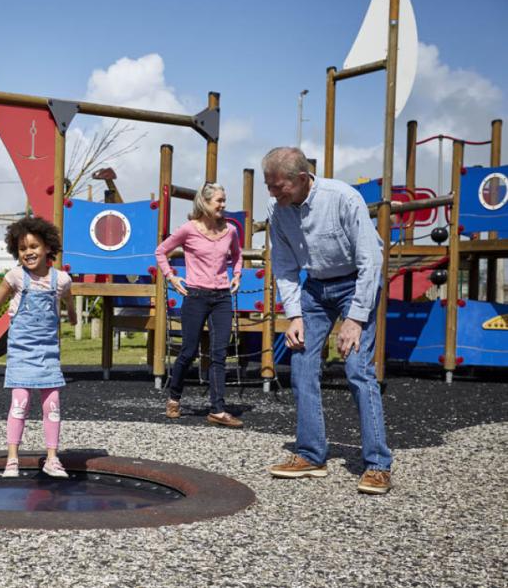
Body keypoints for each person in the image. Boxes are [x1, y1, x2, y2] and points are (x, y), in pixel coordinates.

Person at [263, 147, 392, 495]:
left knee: (357, 368)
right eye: (268, 186)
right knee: (302, 362)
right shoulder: (278, 212)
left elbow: (370, 262)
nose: (272, 194)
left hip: (356, 282)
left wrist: (355, 318)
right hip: (316, 286)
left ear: (302, 179)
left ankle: (378, 464)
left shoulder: (343, 199)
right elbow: (286, 266)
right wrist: (294, 315)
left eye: (278, 187)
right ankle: (310, 454)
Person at [0, 216, 77, 478]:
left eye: (34, 247)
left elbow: (69, 298)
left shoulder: (60, 280)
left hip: (47, 352)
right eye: (23, 249)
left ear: (48, 247)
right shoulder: (15, 277)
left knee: (53, 404)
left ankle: (51, 457)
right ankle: (12, 458)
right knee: (20, 402)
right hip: (22, 352)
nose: (28, 253)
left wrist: (71, 314)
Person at [155, 183, 243, 426]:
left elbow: (237, 255)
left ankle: (217, 409)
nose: (223, 205)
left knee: (219, 353)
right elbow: (161, 252)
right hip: (195, 296)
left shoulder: (231, 231)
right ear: (204, 203)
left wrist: (237, 274)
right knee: (189, 351)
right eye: (219, 201)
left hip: (222, 297)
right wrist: (171, 276)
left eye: (224, 200)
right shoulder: (188, 230)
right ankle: (174, 397)